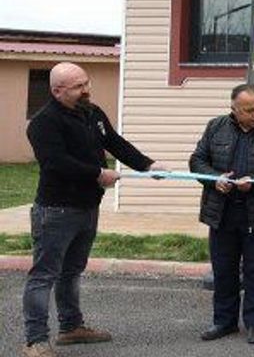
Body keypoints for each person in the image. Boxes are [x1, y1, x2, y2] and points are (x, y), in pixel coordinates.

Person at [22, 62, 169, 357]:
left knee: (72, 271)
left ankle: (70, 328)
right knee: (44, 275)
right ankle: (34, 341)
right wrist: (98, 174)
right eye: (78, 86)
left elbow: (114, 143)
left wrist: (147, 165)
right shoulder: (43, 123)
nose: (86, 89)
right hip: (56, 211)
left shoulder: (92, 112)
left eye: (86, 83)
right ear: (57, 91)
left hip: (88, 206)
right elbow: (56, 163)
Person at [189, 83, 254, 345]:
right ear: (234, 109)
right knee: (224, 270)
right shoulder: (216, 127)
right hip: (222, 212)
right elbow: (197, 161)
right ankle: (224, 322)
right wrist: (215, 179)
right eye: (249, 110)